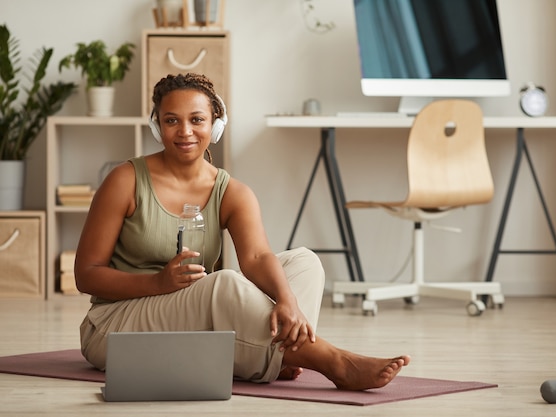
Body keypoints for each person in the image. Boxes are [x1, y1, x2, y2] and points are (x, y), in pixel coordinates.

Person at [74, 72, 410, 391]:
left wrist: (288, 301)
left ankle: (278, 353)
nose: (185, 131)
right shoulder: (126, 180)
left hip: (189, 323)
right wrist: (157, 283)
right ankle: (333, 362)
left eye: (197, 119)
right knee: (222, 283)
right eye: (171, 120)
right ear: (156, 125)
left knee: (304, 263)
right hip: (116, 326)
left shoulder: (231, 191)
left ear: (215, 126)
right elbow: (86, 275)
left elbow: (257, 257)